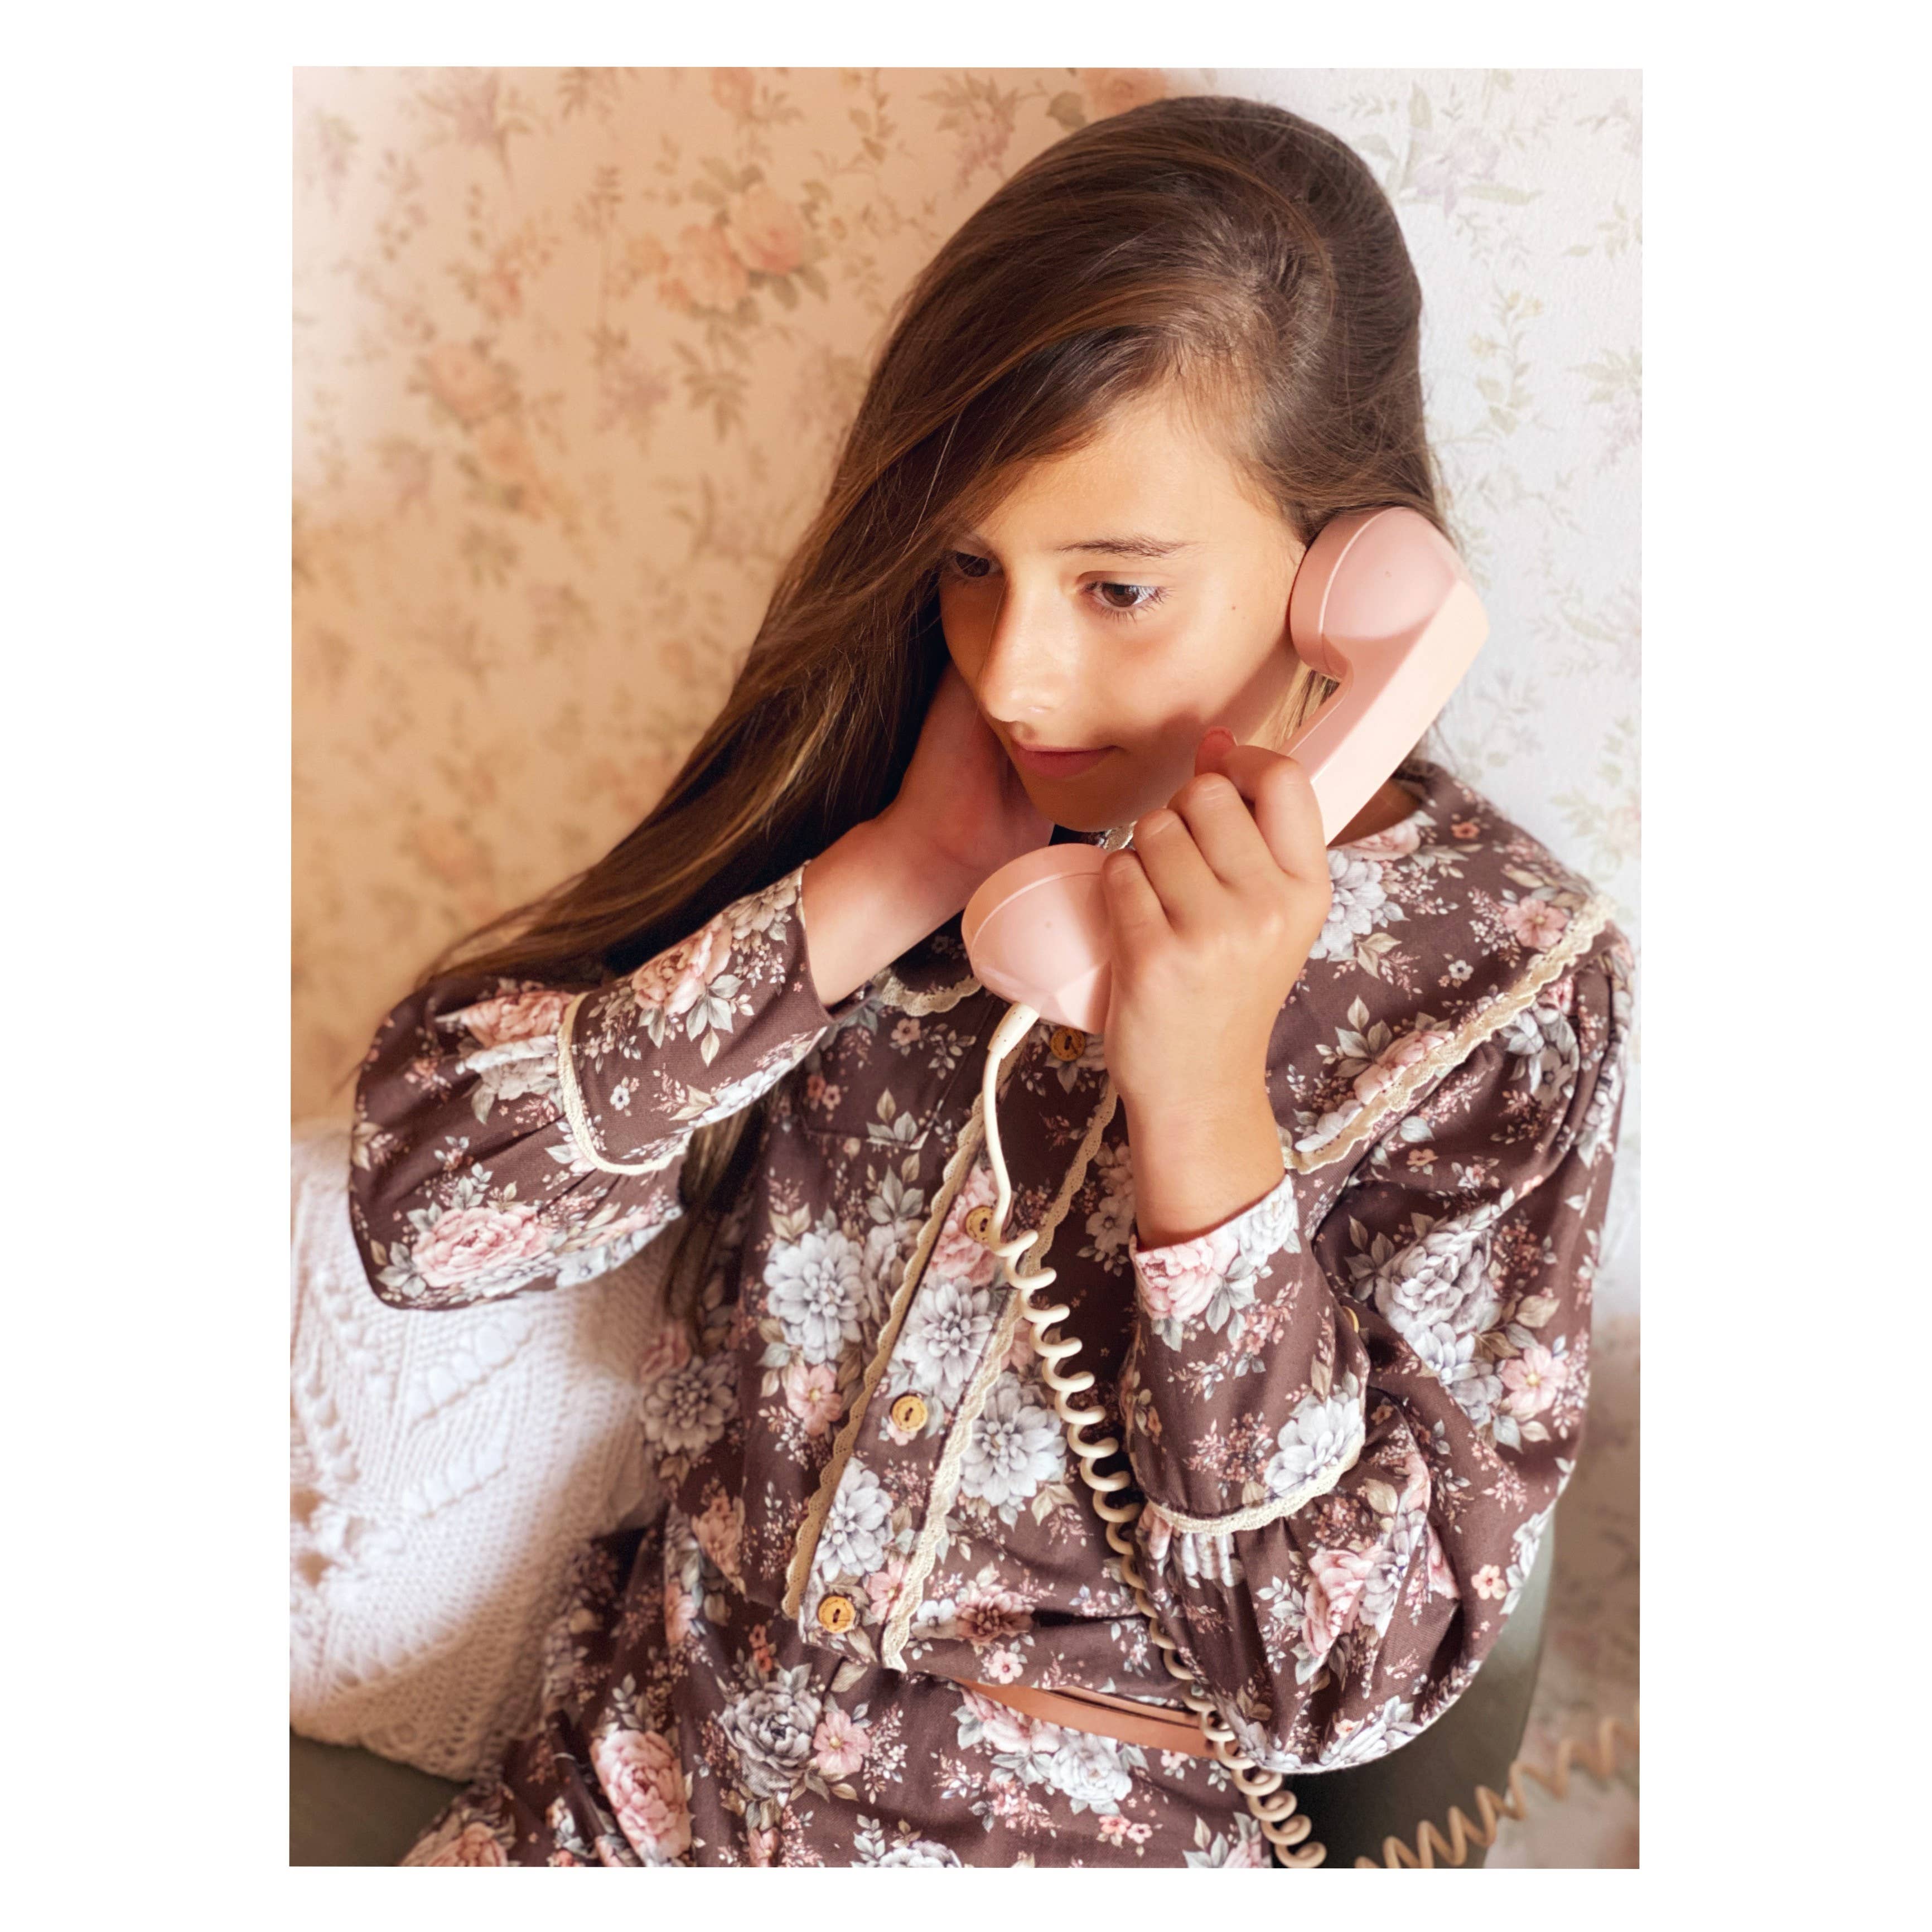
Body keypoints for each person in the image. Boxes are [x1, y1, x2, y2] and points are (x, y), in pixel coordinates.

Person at [347, 93, 1632, 1868]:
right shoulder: (901, 781)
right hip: (619, 1819)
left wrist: (1204, 1121)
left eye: (1117, 589)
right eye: (970, 567)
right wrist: (886, 881)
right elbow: (422, 1217)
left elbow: (1348, 1680)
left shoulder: (1501, 990)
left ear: (1358, 580)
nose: (1015, 674)